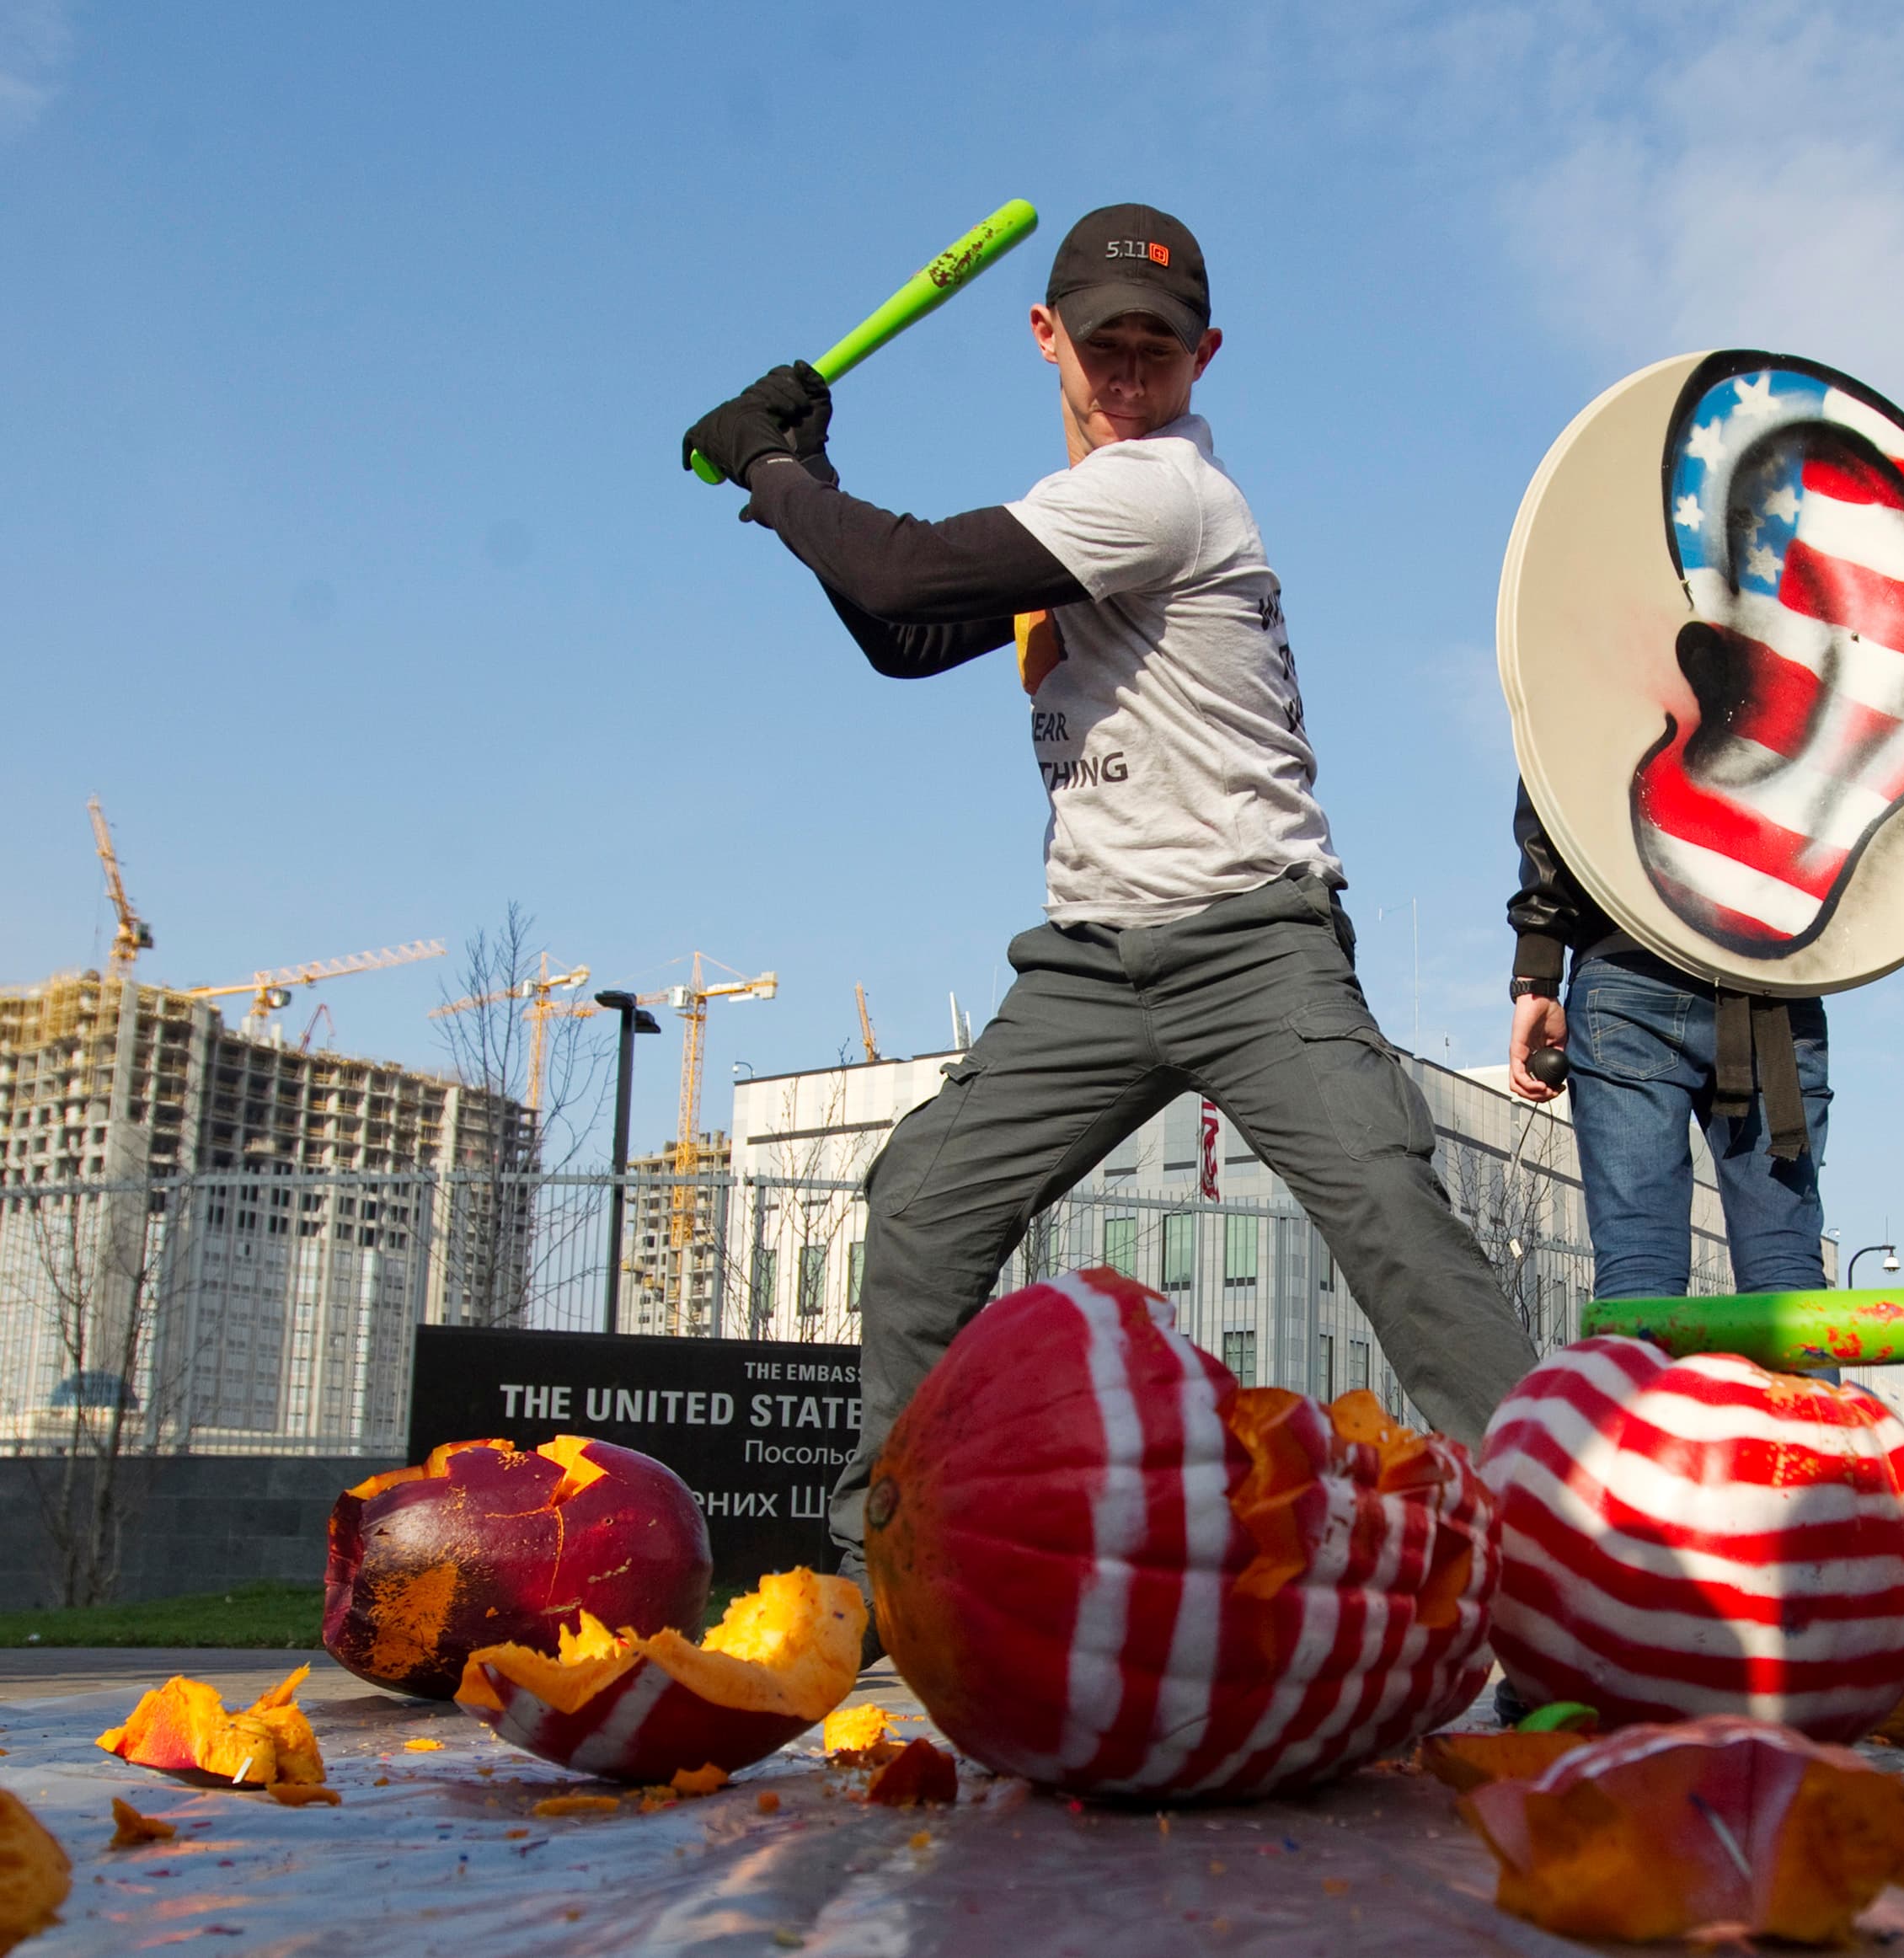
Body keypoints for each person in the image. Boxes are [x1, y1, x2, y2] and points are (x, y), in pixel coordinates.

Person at [679, 204, 1544, 1607]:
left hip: (1253, 940)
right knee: (921, 1201)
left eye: (1157, 346)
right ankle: (888, 1573)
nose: (1127, 370)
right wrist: (807, 473)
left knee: (1388, 1201)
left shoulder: (1163, 494)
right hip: (1089, 962)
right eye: (1102, 343)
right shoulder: (1071, 515)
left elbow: (898, 570)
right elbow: (908, 634)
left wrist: (773, 466)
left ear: (1204, 357)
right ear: (1048, 339)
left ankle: (1555, 1565)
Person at [1504, 788, 1832, 1303]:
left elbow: (1555, 770)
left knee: (1639, 1264)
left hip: (1629, 961)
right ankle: (1799, 1388)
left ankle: (1641, 1382)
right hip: (1771, 971)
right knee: (1786, 1266)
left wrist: (1538, 970)